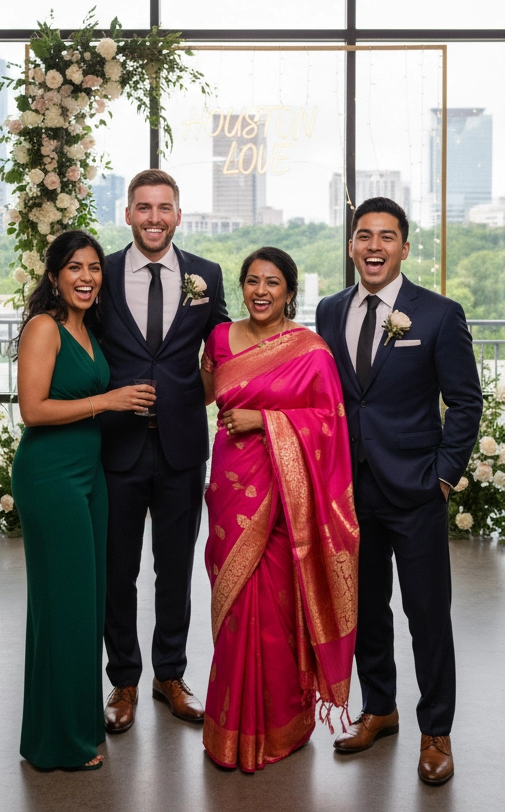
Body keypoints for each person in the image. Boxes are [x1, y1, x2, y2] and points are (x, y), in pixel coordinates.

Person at [315, 197, 483, 785]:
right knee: (364, 607)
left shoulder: (438, 314)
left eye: (387, 237)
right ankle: (379, 708)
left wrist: (443, 476)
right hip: (350, 490)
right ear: (351, 246)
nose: (374, 246)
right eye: (364, 235)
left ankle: (436, 730)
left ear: (404, 248)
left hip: (415, 490)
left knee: (427, 613)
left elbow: (465, 402)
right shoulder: (329, 310)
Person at [200, 247, 359, 772]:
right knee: (234, 607)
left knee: (275, 611)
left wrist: (263, 421)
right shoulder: (219, 339)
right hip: (231, 486)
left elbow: (330, 422)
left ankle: (279, 727)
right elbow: (201, 395)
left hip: (286, 500)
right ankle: (228, 730)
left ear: (289, 291)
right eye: (252, 281)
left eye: (272, 282)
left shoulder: (310, 350)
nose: (261, 291)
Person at [11, 231, 156, 771]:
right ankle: (61, 744)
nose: (87, 277)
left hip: (89, 474)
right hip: (50, 475)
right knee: (65, 606)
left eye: (95, 268)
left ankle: (73, 725)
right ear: (54, 276)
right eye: (75, 267)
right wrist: (109, 400)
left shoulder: (87, 329)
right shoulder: (43, 327)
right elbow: (32, 409)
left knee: (85, 606)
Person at [97, 169, 229, 733]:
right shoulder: (100, 272)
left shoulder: (206, 274)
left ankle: (169, 675)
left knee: (175, 570)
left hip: (181, 447)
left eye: (164, 208)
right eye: (144, 208)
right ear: (128, 213)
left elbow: (223, 346)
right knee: (117, 571)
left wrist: (205, 393)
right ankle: (124, 680)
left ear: (178, 214)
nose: (154, 218)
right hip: (115, 446)